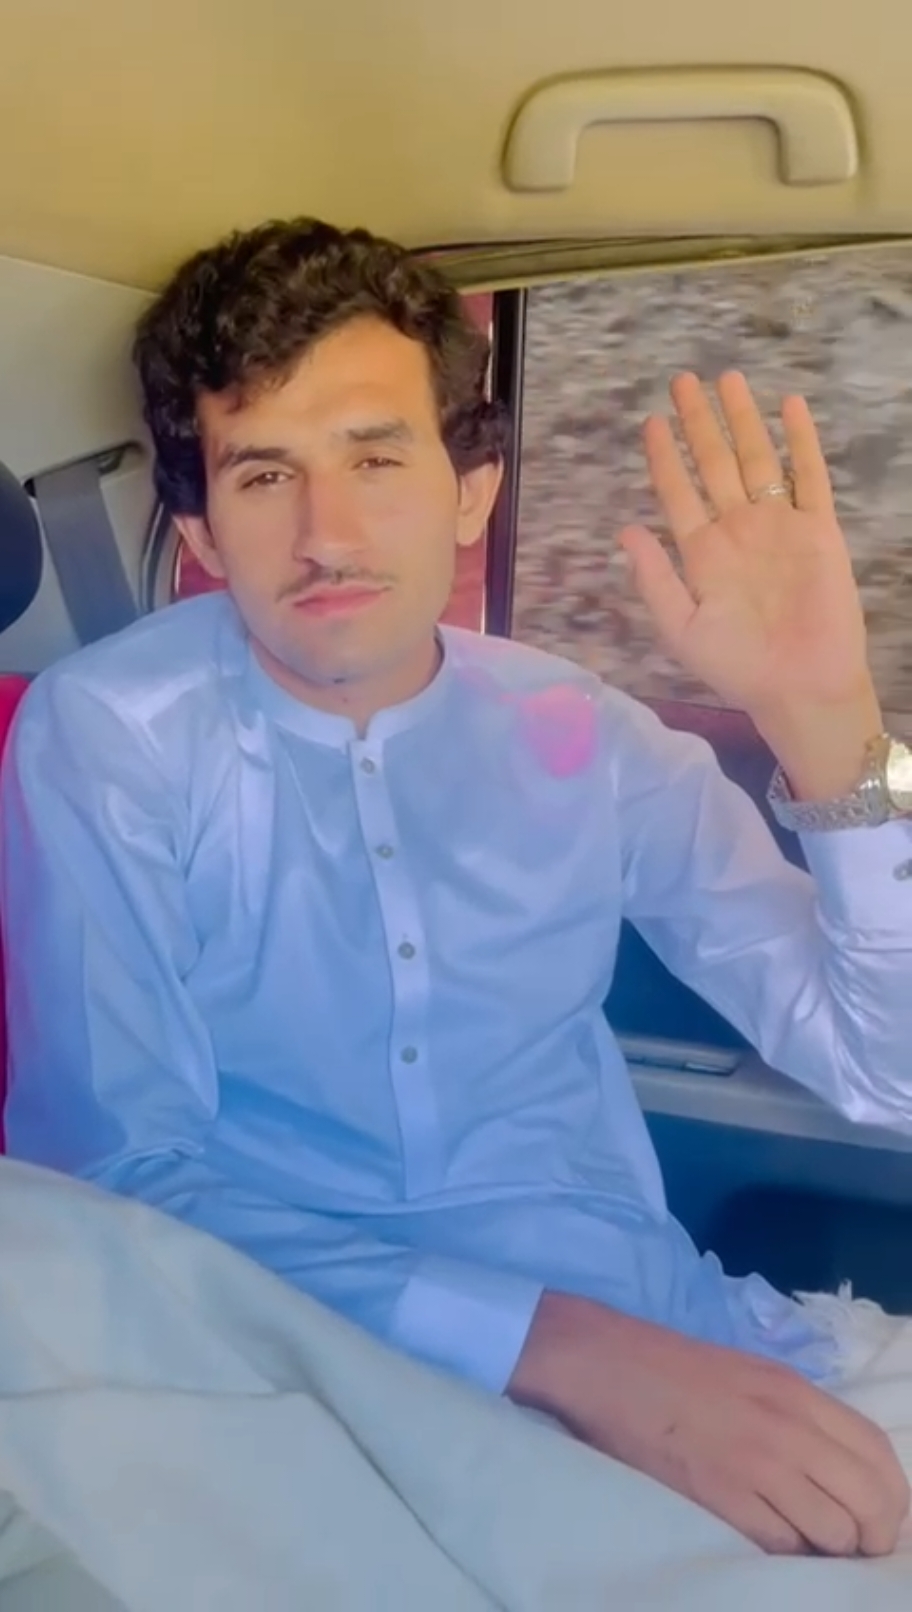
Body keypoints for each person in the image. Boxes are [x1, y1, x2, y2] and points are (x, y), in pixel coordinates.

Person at [2, 217, 912, 1561]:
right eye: (266, 474)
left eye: (377, 458)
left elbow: (888, 1077)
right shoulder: (112, 734)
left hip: (689, 1346)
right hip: (285, 1371)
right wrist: (574, 1357)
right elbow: (113, 1170)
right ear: (200, 531)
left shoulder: (592, 738)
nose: (327, 536)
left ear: (471, 492)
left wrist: (827, 719)